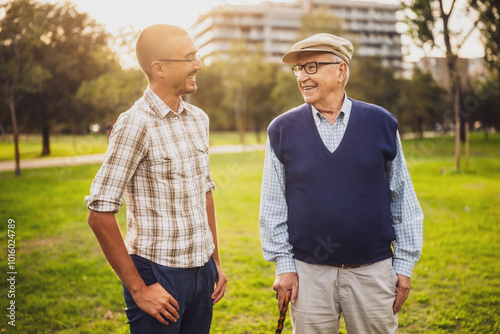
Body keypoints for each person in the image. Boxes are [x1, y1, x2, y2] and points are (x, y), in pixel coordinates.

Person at [259, 33, 423, 333]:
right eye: (298, 69)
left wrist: (404, 265)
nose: (302, 77)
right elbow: (272, 205)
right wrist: (284, 267)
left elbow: (402, 198)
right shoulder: (282, 129)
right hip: (309, 276)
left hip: (373, 273)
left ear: (340, 70)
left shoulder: (381, 123)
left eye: (312, 67)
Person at [85, 24, 226, 334]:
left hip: (202, 272)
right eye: (189, 58)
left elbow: (205, 192)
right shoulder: (135, 124)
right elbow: (99, 214)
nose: (198, 65)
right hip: (158, 274)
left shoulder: (198, 119)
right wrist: (139, 288)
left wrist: (214, 261)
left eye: (197, 56)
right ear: (158, 68)